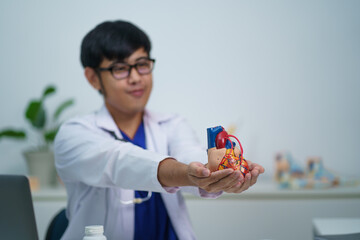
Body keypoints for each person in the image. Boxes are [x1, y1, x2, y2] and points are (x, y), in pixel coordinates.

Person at [54, 20, 265, 240]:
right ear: (93, 78)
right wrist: (188, 174)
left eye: (142, 64)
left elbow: (189, 154)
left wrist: (214, 170)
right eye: (120, 69)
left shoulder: (172, 124)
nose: (136, 78)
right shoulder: (74, 134)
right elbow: (118, 161)